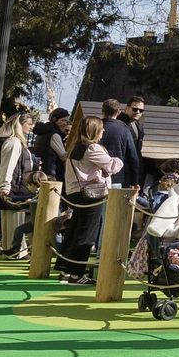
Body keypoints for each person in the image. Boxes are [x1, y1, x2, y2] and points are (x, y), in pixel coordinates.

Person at [57, 115, 122, 285]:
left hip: (75, 192)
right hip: (91, 193)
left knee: (75, 229)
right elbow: (112, 166)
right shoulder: (92, 149)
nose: (103, 131)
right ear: (95, 131)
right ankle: (76, 274)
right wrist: (118, 160)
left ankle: (65, 268)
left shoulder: (75, 147)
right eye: (101, 128)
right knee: (87, 232)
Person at [0, 109, 37, 257]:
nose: (31, 127)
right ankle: (16, 251)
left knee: (13, 220)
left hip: (16, 186)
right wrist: (5, 185)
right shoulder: (13, 142)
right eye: (29, 124)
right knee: (14, 219)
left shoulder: (14, 142)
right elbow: (8, 165)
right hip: (14, 187)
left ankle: (14, 249)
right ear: (20, 124)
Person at [99, 99, 143, 192]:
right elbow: (133, 158)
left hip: (96, 175)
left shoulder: (94, 126)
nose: (138, 112)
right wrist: (135, 182)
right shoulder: (124, 129)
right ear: (119, 112)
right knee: (114, 206)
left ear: (102, 111)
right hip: (116, 177)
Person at [34, 108, 70, 182]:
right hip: (52, 173)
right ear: (54, 120)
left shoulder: (43, 132)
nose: (65, 124)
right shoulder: (54, 135)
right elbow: (63, 156)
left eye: (67, 121)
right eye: (62, 121)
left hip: (42, 171)